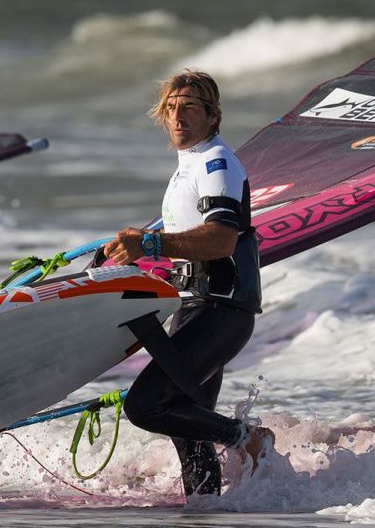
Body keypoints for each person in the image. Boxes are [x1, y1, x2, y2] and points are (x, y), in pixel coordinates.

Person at [102, 70, 271, 498]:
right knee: (187, 425)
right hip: (196, 306)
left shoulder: (216, 162)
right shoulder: (189, 166)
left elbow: (222, 237)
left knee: (146, 406)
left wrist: (152, 242)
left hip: (222, 311)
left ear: (213, 117)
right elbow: (184, 233)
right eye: (171, 108)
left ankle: (248, 438)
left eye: (190, 108)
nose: (178, 116)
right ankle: (203, 515)